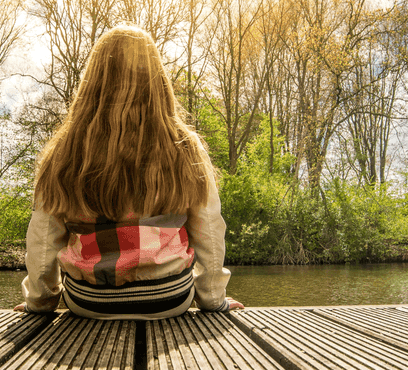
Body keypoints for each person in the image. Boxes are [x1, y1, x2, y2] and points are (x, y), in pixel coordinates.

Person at [14, 25, 242, 319]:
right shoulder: (184, 147)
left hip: (88, 301)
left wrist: (40, 302)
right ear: (157, 81)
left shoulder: (64, 150)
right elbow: (208, 230)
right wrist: (213, 300)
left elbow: (44, 237)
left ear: (93, 80)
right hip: (168, 296)